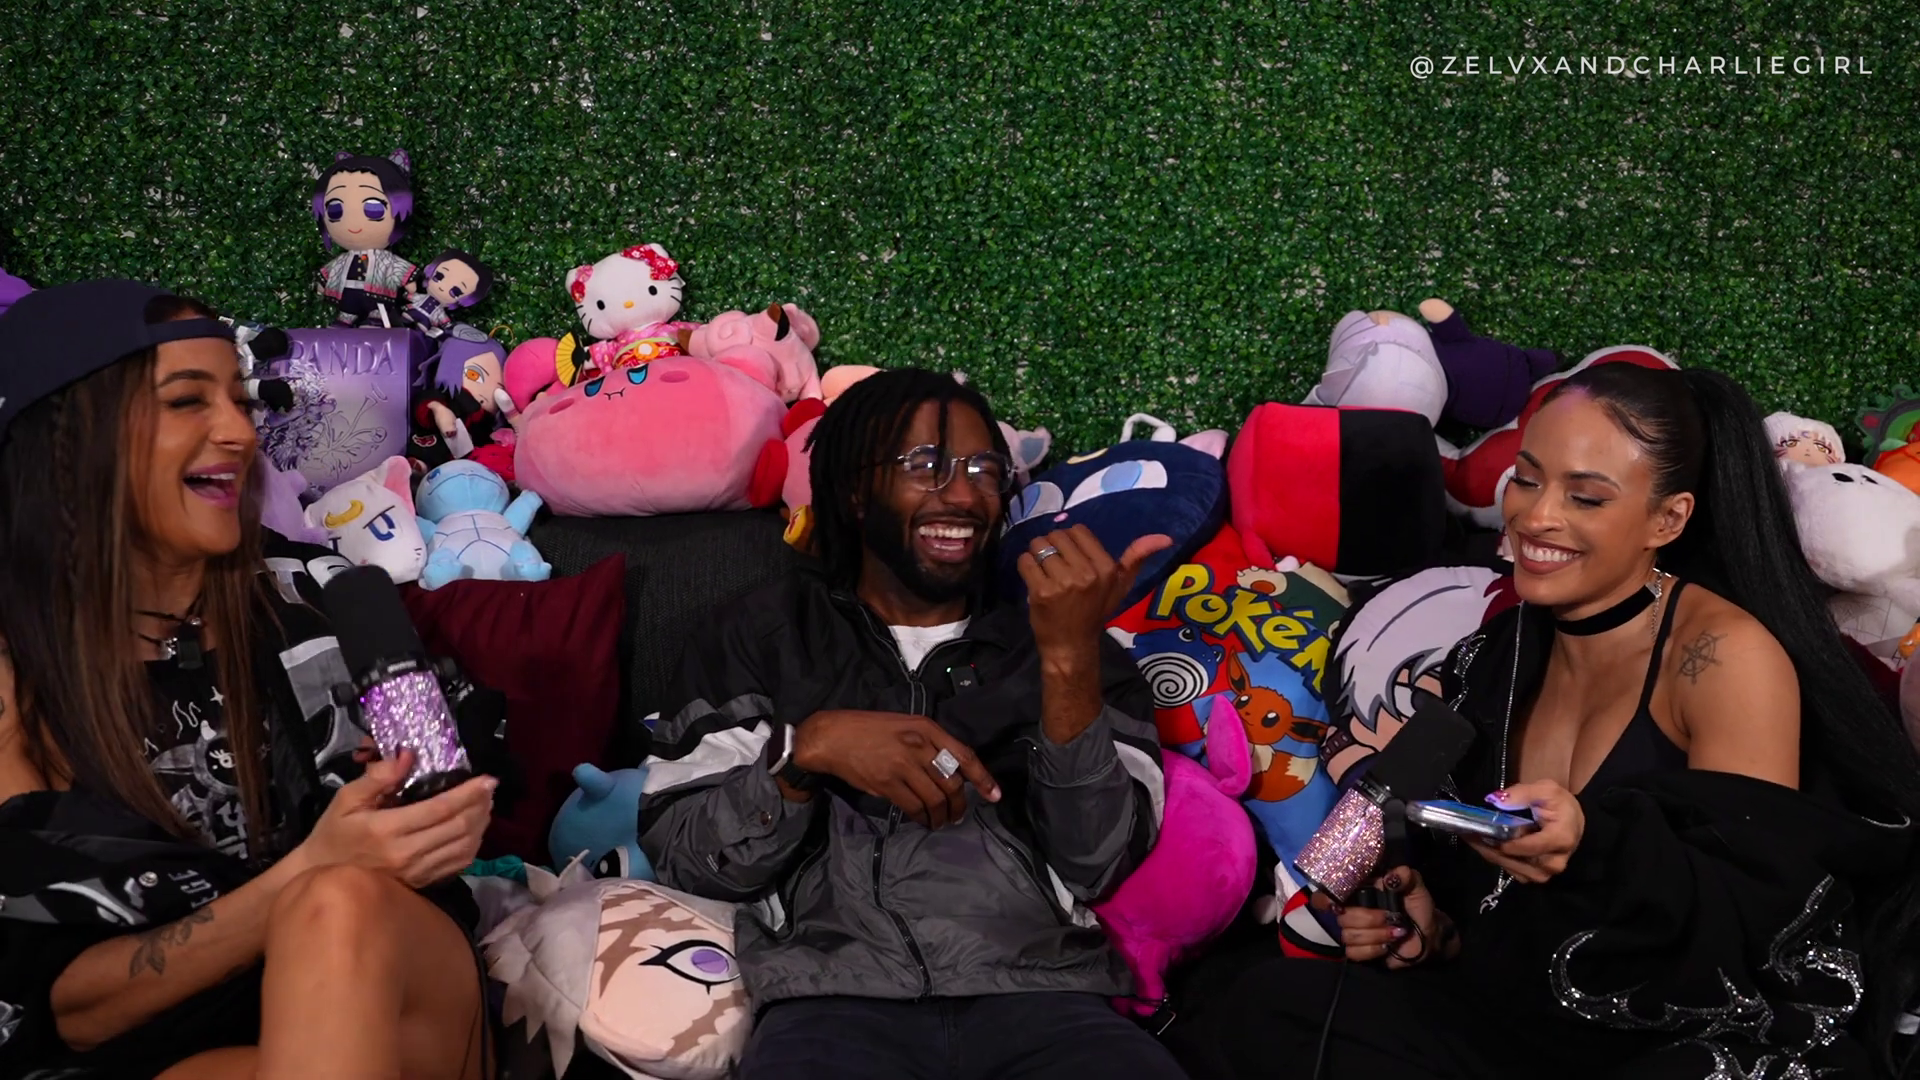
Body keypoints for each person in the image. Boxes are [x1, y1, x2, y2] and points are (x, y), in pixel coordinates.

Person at [1169, 363, 1920, 1079]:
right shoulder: (1495, 651)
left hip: (1671, 1031)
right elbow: (1444, 876)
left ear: (1668, 518)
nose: (1536, 515)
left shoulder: (1722, 657)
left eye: (1585, 497)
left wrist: (1596, 849)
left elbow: (1751, 920)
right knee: (1263, 1010)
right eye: (1527, 478)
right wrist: (1431, 930)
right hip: (1513, 1019)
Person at [0, 280, 501, 1079]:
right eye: (186, 401)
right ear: (69, 436)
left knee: (337, 906)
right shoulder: (18, 677)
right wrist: (308, 869)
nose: (239, 432)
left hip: (397, 980)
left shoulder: (325, 598)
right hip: (166, 1044)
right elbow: (72, 1012)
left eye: (239, 399)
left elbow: (430, 834)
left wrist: (427, 824)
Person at [639, 368, 1188, 1080]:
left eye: (983, 470)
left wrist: (1067, 660)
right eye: (925, 465)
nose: (961, 495)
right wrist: (804, 754)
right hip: (831, 1003)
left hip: (1043, 997)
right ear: (854, 490)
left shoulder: (1072, 642)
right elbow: (687, 856)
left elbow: (1100, 861)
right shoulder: (760, 634)